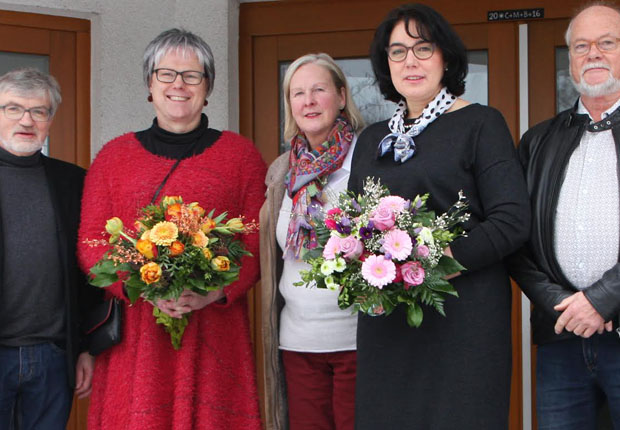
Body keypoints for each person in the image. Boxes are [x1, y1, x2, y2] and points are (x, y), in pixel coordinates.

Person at [347, 4, 531, 429]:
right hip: (387, 322)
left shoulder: (481, 124)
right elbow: (355, 221)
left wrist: (437, 260)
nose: (410, 61)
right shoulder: (375, 138)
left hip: (462, 321)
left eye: (422, 48)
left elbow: (511, 219)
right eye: (397, 51)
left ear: (445, 57)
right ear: (385, 64)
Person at [77, 29, 266, 430]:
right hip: (136, 334)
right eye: (166, 74)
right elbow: (92, 243)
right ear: (150, 84)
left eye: (192, 76)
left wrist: (214, 291)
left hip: (215, 331)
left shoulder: (241, 156)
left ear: (207, 86)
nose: (178, 84)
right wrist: (145, 285)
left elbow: (255, 240)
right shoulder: (113, 157)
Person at [509, 3, 620, 429]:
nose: (593, 53)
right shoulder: (538, 141)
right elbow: (515, 237)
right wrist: (561, 304)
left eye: (606, 43)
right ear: (570, 58)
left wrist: (603, 299)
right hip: (560, 337)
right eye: (581, 46)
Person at [259, 53, 365, 430]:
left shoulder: (368, 161)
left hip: (359, 339)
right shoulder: (282, 171)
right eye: (298, 93)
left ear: (340, 95)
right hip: (298, 341)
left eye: (318, 89)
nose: (308, 101)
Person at [0, 68, 102, 429]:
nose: (26, 120)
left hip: (54, 356)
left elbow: (89, 269)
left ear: (50, 120)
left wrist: (86, 347)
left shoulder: (73, 181)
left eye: (38, 111)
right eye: (13, 108)